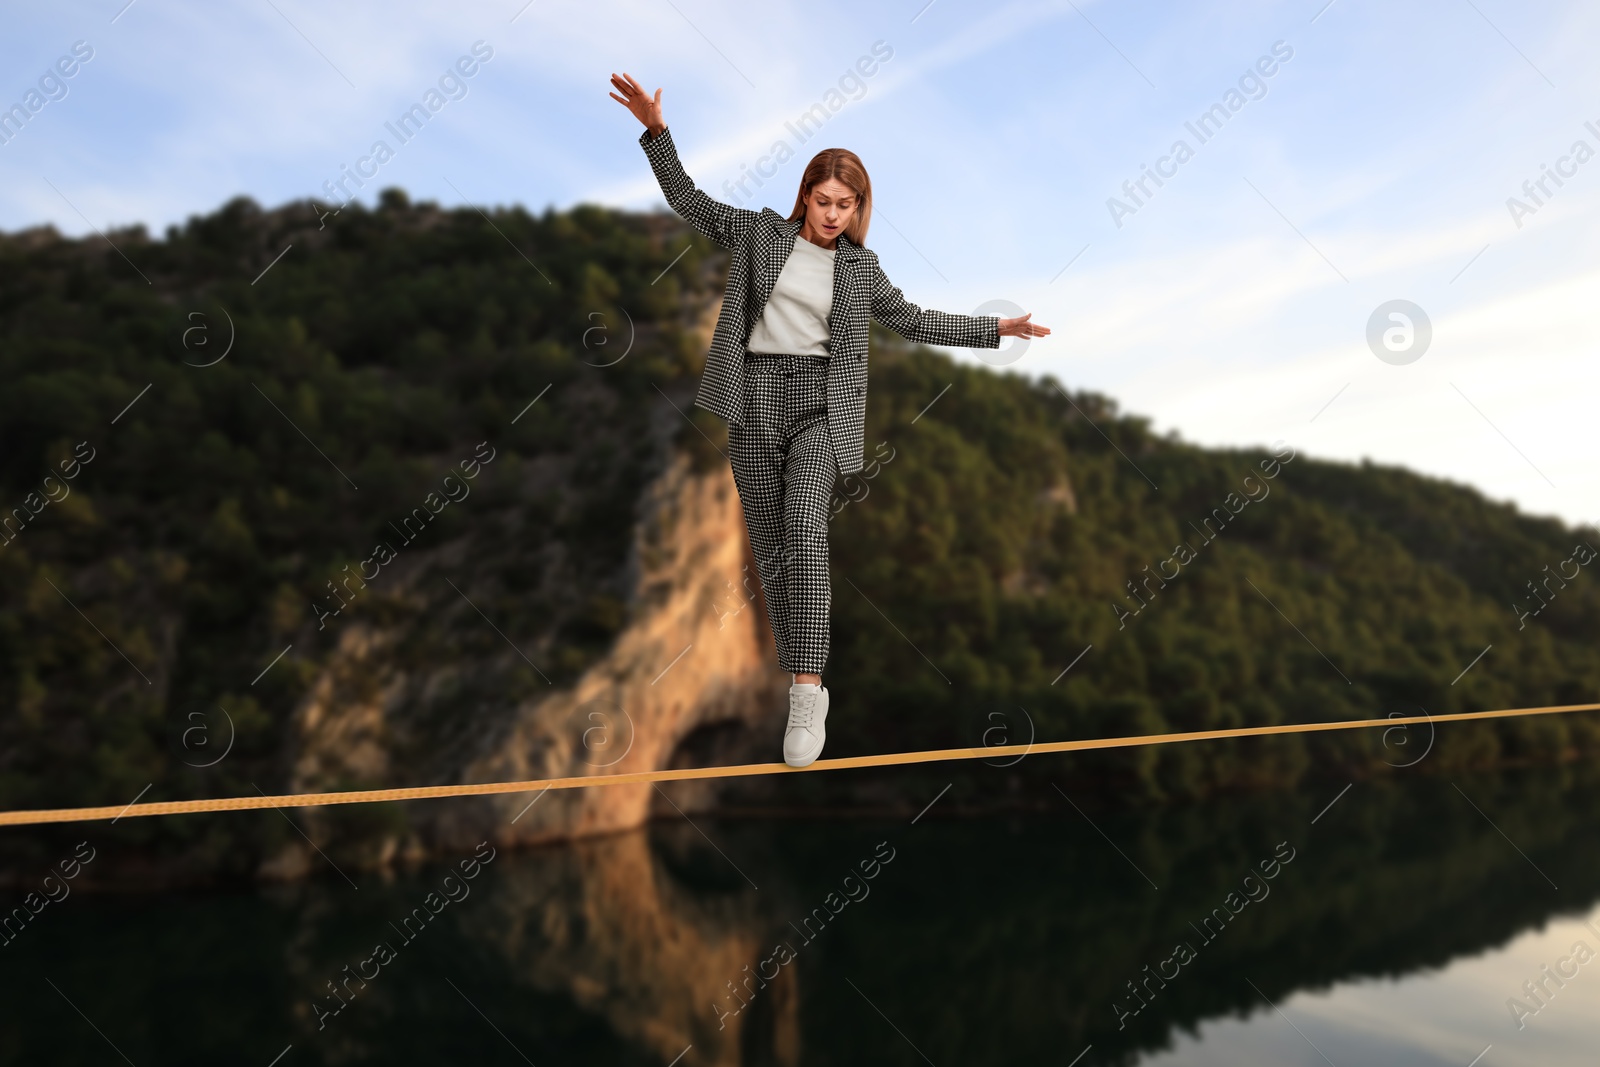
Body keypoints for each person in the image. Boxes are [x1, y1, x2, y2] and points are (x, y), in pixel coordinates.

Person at [609, 72, 1049, 768]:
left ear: (860, 206)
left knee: (806, 528)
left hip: (819, 406)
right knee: (772, 549)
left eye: (848, 204)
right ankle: (799, 676)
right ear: (805, 196)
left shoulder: (861, 271)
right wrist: (657, 134)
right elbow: (688, 202)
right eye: (824, 200)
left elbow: (913, 318)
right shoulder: (757, 234)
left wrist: (997, 329)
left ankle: (808, 693)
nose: (834, 213)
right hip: (752, 402)